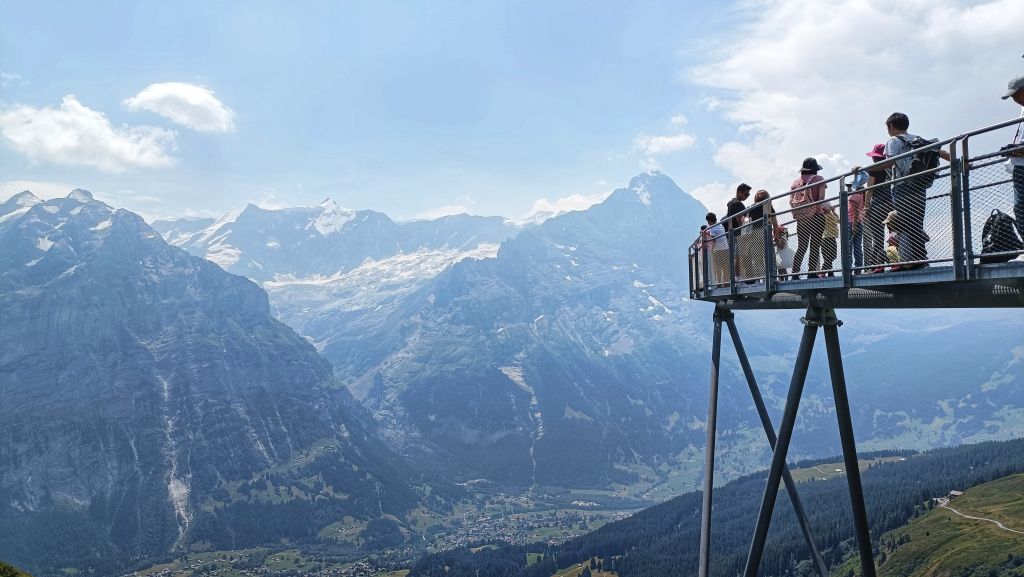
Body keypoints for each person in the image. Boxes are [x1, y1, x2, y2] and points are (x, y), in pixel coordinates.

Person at [878, 112, 950, 269]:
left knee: (906, 222)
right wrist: (959, 161)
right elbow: (940, 152)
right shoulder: (917, 139)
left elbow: (890, 162)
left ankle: (919, 260)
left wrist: (867, 169)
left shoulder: (893, 140)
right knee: (916, 221)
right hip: (920, 184)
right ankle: (915, 259)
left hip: (902, 185)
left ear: (891, 126)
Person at [790, 157, 827, 279]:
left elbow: (791, 202)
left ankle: (795, 273)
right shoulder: (819, 179)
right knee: (815, 245)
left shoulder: (795, 183)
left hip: (802, 219)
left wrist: (803, 212)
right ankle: (811, 272)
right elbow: (821, 198)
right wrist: (814, 209)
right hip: (817, 216)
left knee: (802, 246)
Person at [861, 144, 893, 274]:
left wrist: (866, 207)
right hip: (892, 203)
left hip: (878, 205)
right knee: (893, 236)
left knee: (878, 238)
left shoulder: (874, 169)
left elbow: (869, 190)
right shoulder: (891, 166)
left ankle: (877, 266)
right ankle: (896, 264)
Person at [1002, 73, 1024, 241]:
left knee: (1021, 208)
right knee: (1020, 209)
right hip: (1019, 167)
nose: (1014, 99)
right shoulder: (1023, 109)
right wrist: (1014, 150)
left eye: (1016, 95)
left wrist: (1017, 150)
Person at [743, 189, 779, 281]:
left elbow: (746, 222)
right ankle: (772, 277)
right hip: (766, 233)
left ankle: (759, 279)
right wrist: (776, 236)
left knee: (757, 258)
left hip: (754, 235)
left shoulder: (751, 208)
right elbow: (775, 224)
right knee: (770, 256)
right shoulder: (769, 207)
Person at [725, 183, 752, 278]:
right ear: (739, 192)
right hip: (739, 234)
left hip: (733, 233)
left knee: (737, 256)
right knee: (739, 256)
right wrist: (745, 226)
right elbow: (740, 219)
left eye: (748, 195)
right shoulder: (738, 204)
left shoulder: (732, 202)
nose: (747, 196)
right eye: (745, 194)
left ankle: (737, 277)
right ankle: (738, 277)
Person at [704, 212, 729, 286]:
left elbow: (714, 241)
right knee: (725, 267)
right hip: (726, 248)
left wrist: (711, 251)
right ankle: (726, 283)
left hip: (718, 250)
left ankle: (719, 284)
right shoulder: (720, 225)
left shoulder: (712, 228)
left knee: (718, 268)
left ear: (709, 221)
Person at [848, 181, 866, 272]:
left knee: (848, 247)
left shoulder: (854, 196)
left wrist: (854, 225)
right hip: (859, 222)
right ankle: (858, 268)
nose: (848, 188)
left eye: (849, 186)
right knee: (858, 247)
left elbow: (855, 212)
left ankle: (848, 269)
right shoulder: (862, 197)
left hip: (851, 223)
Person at [821, 205, 839, 276]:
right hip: (829, 237)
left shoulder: (826, 215)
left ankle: (830, 273)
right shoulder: (826, 215)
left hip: (826, 238)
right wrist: (833, 211)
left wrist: (833, 211)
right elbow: (838, 220)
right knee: (832, 255)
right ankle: (823, 271)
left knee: (828, 257)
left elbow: (838, 220)